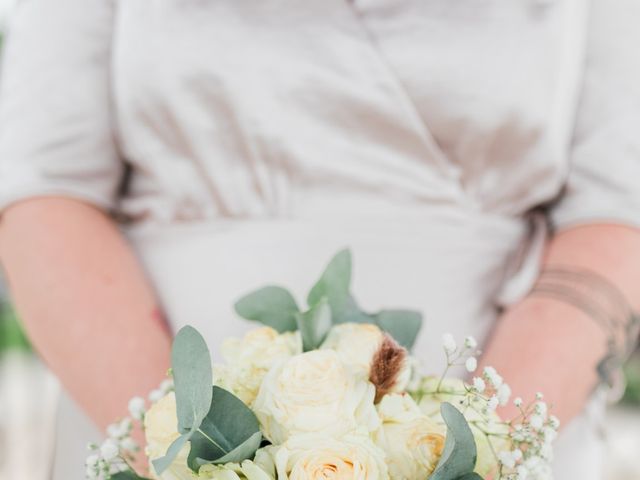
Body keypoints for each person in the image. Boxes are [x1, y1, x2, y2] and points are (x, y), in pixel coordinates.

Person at [1, 0, 639, 478]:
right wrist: (186, 460)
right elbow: (41, 185)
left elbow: (617, 207)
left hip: (516, 409)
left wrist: (484, 454)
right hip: (137, 415)